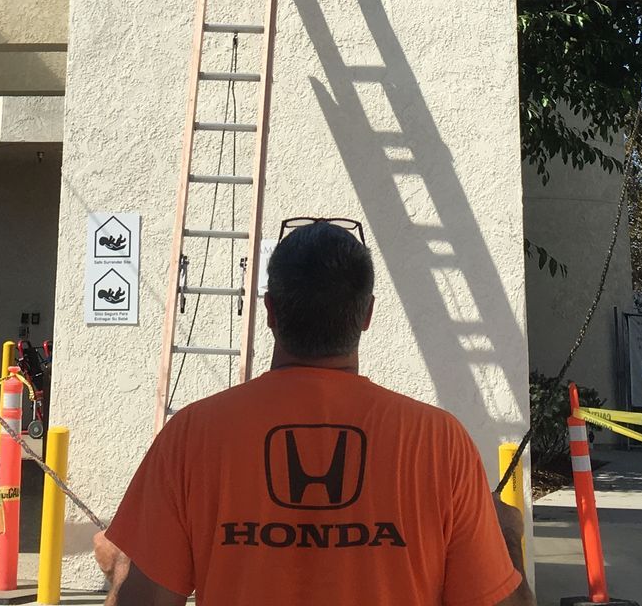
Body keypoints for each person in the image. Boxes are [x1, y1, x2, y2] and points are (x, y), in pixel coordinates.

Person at [95, 221, 531, 606]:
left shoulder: (192, 435)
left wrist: (126, 564)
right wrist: (505, 540)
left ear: (270, 311)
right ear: (367, 315)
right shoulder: (439, 442)